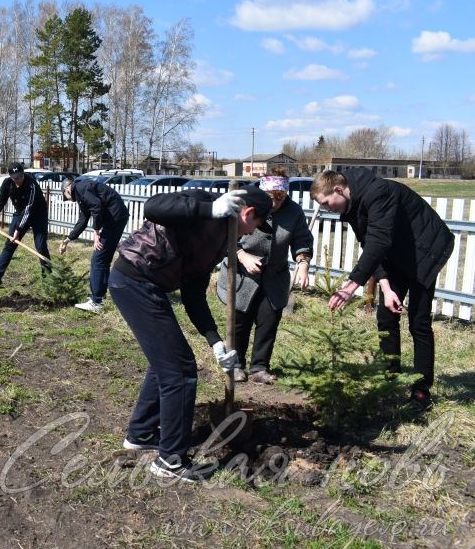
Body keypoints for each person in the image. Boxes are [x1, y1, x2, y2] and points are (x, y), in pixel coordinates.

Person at [111, 185, 273, 483]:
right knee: (180, 370)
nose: (250, 234)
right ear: (248, 213)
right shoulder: (204, 201)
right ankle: (170, 461)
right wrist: (209, 210)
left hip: (149, 287)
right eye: (256, 226)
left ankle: (142, 434)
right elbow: (153, 206)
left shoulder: (222, 240)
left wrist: (216, 342)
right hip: (133, 280)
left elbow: (194, 294)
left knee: (166, 363)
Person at [311, 169, 455, 411]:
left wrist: (351, 286)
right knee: (386, 316)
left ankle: (421, 390)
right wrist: (386, 288)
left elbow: (379, 242)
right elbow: (369, 245)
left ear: (337, 190)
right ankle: (390, 380)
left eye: (326, 203)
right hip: (395, 252)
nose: (326, 209)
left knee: (418, 321)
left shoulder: (379, 192)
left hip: (425, 249)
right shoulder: (351, 206)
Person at [217, 170, 314, 384]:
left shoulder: (294, 212)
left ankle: (260, 367)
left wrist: (303, 263)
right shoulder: (244, 204)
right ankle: (236, 365)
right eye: (271, 199)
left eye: (279, 200)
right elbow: (223, 235)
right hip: (241, 274)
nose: (275, 205)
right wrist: (241, 255)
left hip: (274, 277)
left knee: (269, 320)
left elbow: (301, 239)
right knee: (240, 321)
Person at [59, 178, 130, 313]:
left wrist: (96, 232)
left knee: (98, 259)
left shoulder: (80, 188)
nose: (70, 200)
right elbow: (83, 220)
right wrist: (67, 240)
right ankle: (99, 297)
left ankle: (96, 302)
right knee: (102, 259)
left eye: (67, 197)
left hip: (114, 218)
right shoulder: (81, 191)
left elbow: (97, 207)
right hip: (116, 217)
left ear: (67, 189)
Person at [0, 162, 51, 289]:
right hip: (20, 212)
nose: (19, 179)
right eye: (15, 177)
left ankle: (48, 278)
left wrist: (18, 230)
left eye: (20, 176)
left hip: (38, 214)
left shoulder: (31, 184)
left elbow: (29, 209)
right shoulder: (7, 184)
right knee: (10, 244)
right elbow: (1, 200)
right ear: (10, 177)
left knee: (41, 246)